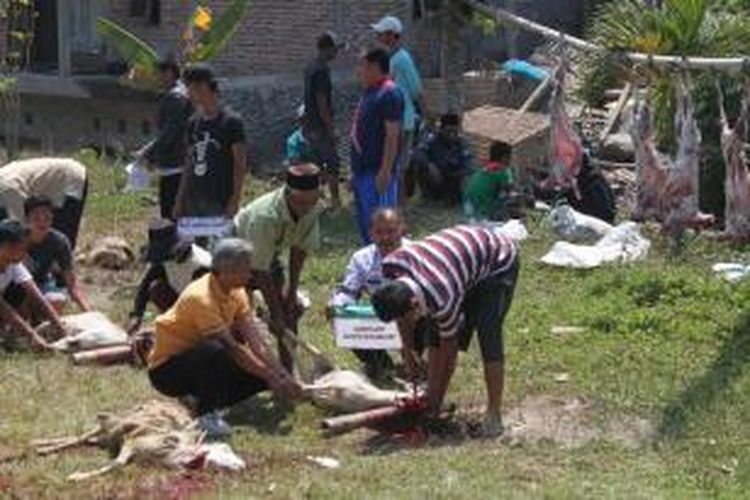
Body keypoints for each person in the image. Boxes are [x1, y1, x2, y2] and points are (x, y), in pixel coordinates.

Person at [372, 224, 519, 437]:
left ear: (414, 304)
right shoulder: (392, 265)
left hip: (497, 259)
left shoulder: (442, 296)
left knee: (489, 334)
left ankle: (494, 415)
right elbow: (405, 319)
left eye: (408, 314)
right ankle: (433, 401)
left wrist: (433, 406)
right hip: (456, 261)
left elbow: (449, 352)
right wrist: (408, 353)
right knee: (434, 332)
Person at [147, 238, 301, 438]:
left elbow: (257, 342)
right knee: (218, 349)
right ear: (228, 271)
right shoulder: (201, 298)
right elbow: (232, 348)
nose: (250, 273)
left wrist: (281, 374)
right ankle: (205, 414)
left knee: (260, 377)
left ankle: (205, 399)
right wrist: (270, 376)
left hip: (198, 362)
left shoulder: (237, 292)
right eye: (246, 269)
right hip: (167, 371)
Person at [235, 164, 323, 369]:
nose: (305, 208)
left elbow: (299, 250)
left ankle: (287, 372)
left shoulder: (313, 207)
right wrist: (275, 315)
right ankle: (244, 370)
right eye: (300, 202)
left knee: (289, 312)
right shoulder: (265, 216)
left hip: (267, 254)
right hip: (235, 253)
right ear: (288, 194)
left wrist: (291, 293)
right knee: (238, 318)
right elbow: (259, 269)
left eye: (311, 201)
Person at [329, 208, 410, 379]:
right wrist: (336, 307)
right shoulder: (361, 258)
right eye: (379, 232)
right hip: (382, 315)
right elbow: (348, 291)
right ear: (371, 234)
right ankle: (380, 363)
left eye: (391, 231)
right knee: (343, 318)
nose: (385, 237)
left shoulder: (417, 252)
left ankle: (417, 359)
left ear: (402, 229)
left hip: (414, 313)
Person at [173, 64, 247, 220]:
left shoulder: (232, 122)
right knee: (195, 244)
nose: (188, 94)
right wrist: (179, 200)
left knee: (219, 244)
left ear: (203, 87)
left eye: (190, 88)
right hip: (194, 199)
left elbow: (239, 165)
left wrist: (234, 200)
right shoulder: (193, 123)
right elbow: (189, 163)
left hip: (220, 200)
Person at [350, 48, 404, 244]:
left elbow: (392, 135)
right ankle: (371, 265)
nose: (358, 71)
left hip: (377, 172)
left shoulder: (389, 92)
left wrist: (385, 171)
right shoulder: (370, 92)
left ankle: (389, 266)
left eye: (361, 66)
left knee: (383, 225)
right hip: (363, 171)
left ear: (373, 67)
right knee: (368, 224)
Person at [372, 15, 425, 206]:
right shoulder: (391, 58)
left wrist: (425, 115)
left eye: (381, 33)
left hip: (403, 119)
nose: (378, 36)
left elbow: (417, 89)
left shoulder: (402, 59)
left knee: (399, 166)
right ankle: (394, 203)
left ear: (392, 35)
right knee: (393, 164)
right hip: (394, 118)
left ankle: (400, 206)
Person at [127, 219, 211, 335]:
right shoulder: (167, 260)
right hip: (181, 300)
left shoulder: (202, 266)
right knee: (156, 288)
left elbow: (207, 301)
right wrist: (136, 315)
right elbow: (146, 284)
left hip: (205, 309)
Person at [135, 59, 193, 220]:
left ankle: (175, 243)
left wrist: (148, 153)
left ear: (168, 73)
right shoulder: (180, 93)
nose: (155, 79)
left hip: (176, 164)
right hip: (178, 163)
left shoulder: (175, 98)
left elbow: (170, 133)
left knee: (170, 213)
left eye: (157, 74)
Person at [0, 220, 67, 350]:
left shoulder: (14, 264)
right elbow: (3, 308)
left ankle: (12, 332)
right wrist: (31, 335)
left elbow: (36, 295)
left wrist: (60, 327)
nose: (25, 252)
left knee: (20, 291)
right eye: (21, 248)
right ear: (6, 246)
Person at [0, 158, 88, 249]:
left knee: (61, 236)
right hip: (44, 185)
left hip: (69, 179)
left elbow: (19, 227)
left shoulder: (7, 191)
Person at [23, 196, 89, 313]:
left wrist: (89, 312)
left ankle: (39, 320)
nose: (42, 222)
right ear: (27, 219)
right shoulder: (15, 238)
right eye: (37, 217)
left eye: (47, 217)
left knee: (58, 300)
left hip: (42, 284)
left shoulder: (59, 241)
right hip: (14, 286)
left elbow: (71, 282)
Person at [303, 32, 343, 208]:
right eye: (335, 49)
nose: (337, 53)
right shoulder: (322, 70)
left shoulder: (310, 66)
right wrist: (331, 128)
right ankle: (335, 201)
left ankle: (315, 202)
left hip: (310, 125)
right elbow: (321, 101)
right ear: (327, 48)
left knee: (315, 165)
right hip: (320, 126)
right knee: (333, 163)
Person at [410, 113, 473, 204]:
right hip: (434, 178)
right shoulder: (432, 139)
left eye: (455, 132)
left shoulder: (462, 143)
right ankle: (427, 196)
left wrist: (463, 174)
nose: (452, 135)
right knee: (418, 165)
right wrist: (430, 165)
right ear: (441, 129)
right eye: (449, 131)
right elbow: (418, 153)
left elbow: (469, 163)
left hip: (452, 179)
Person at [464, 141, 517, 221]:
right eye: (510, 157)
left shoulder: (484, 167)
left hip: (467, 210)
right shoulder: (503, 170)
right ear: (504, 157)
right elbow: (510, 191)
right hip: (484, 213)